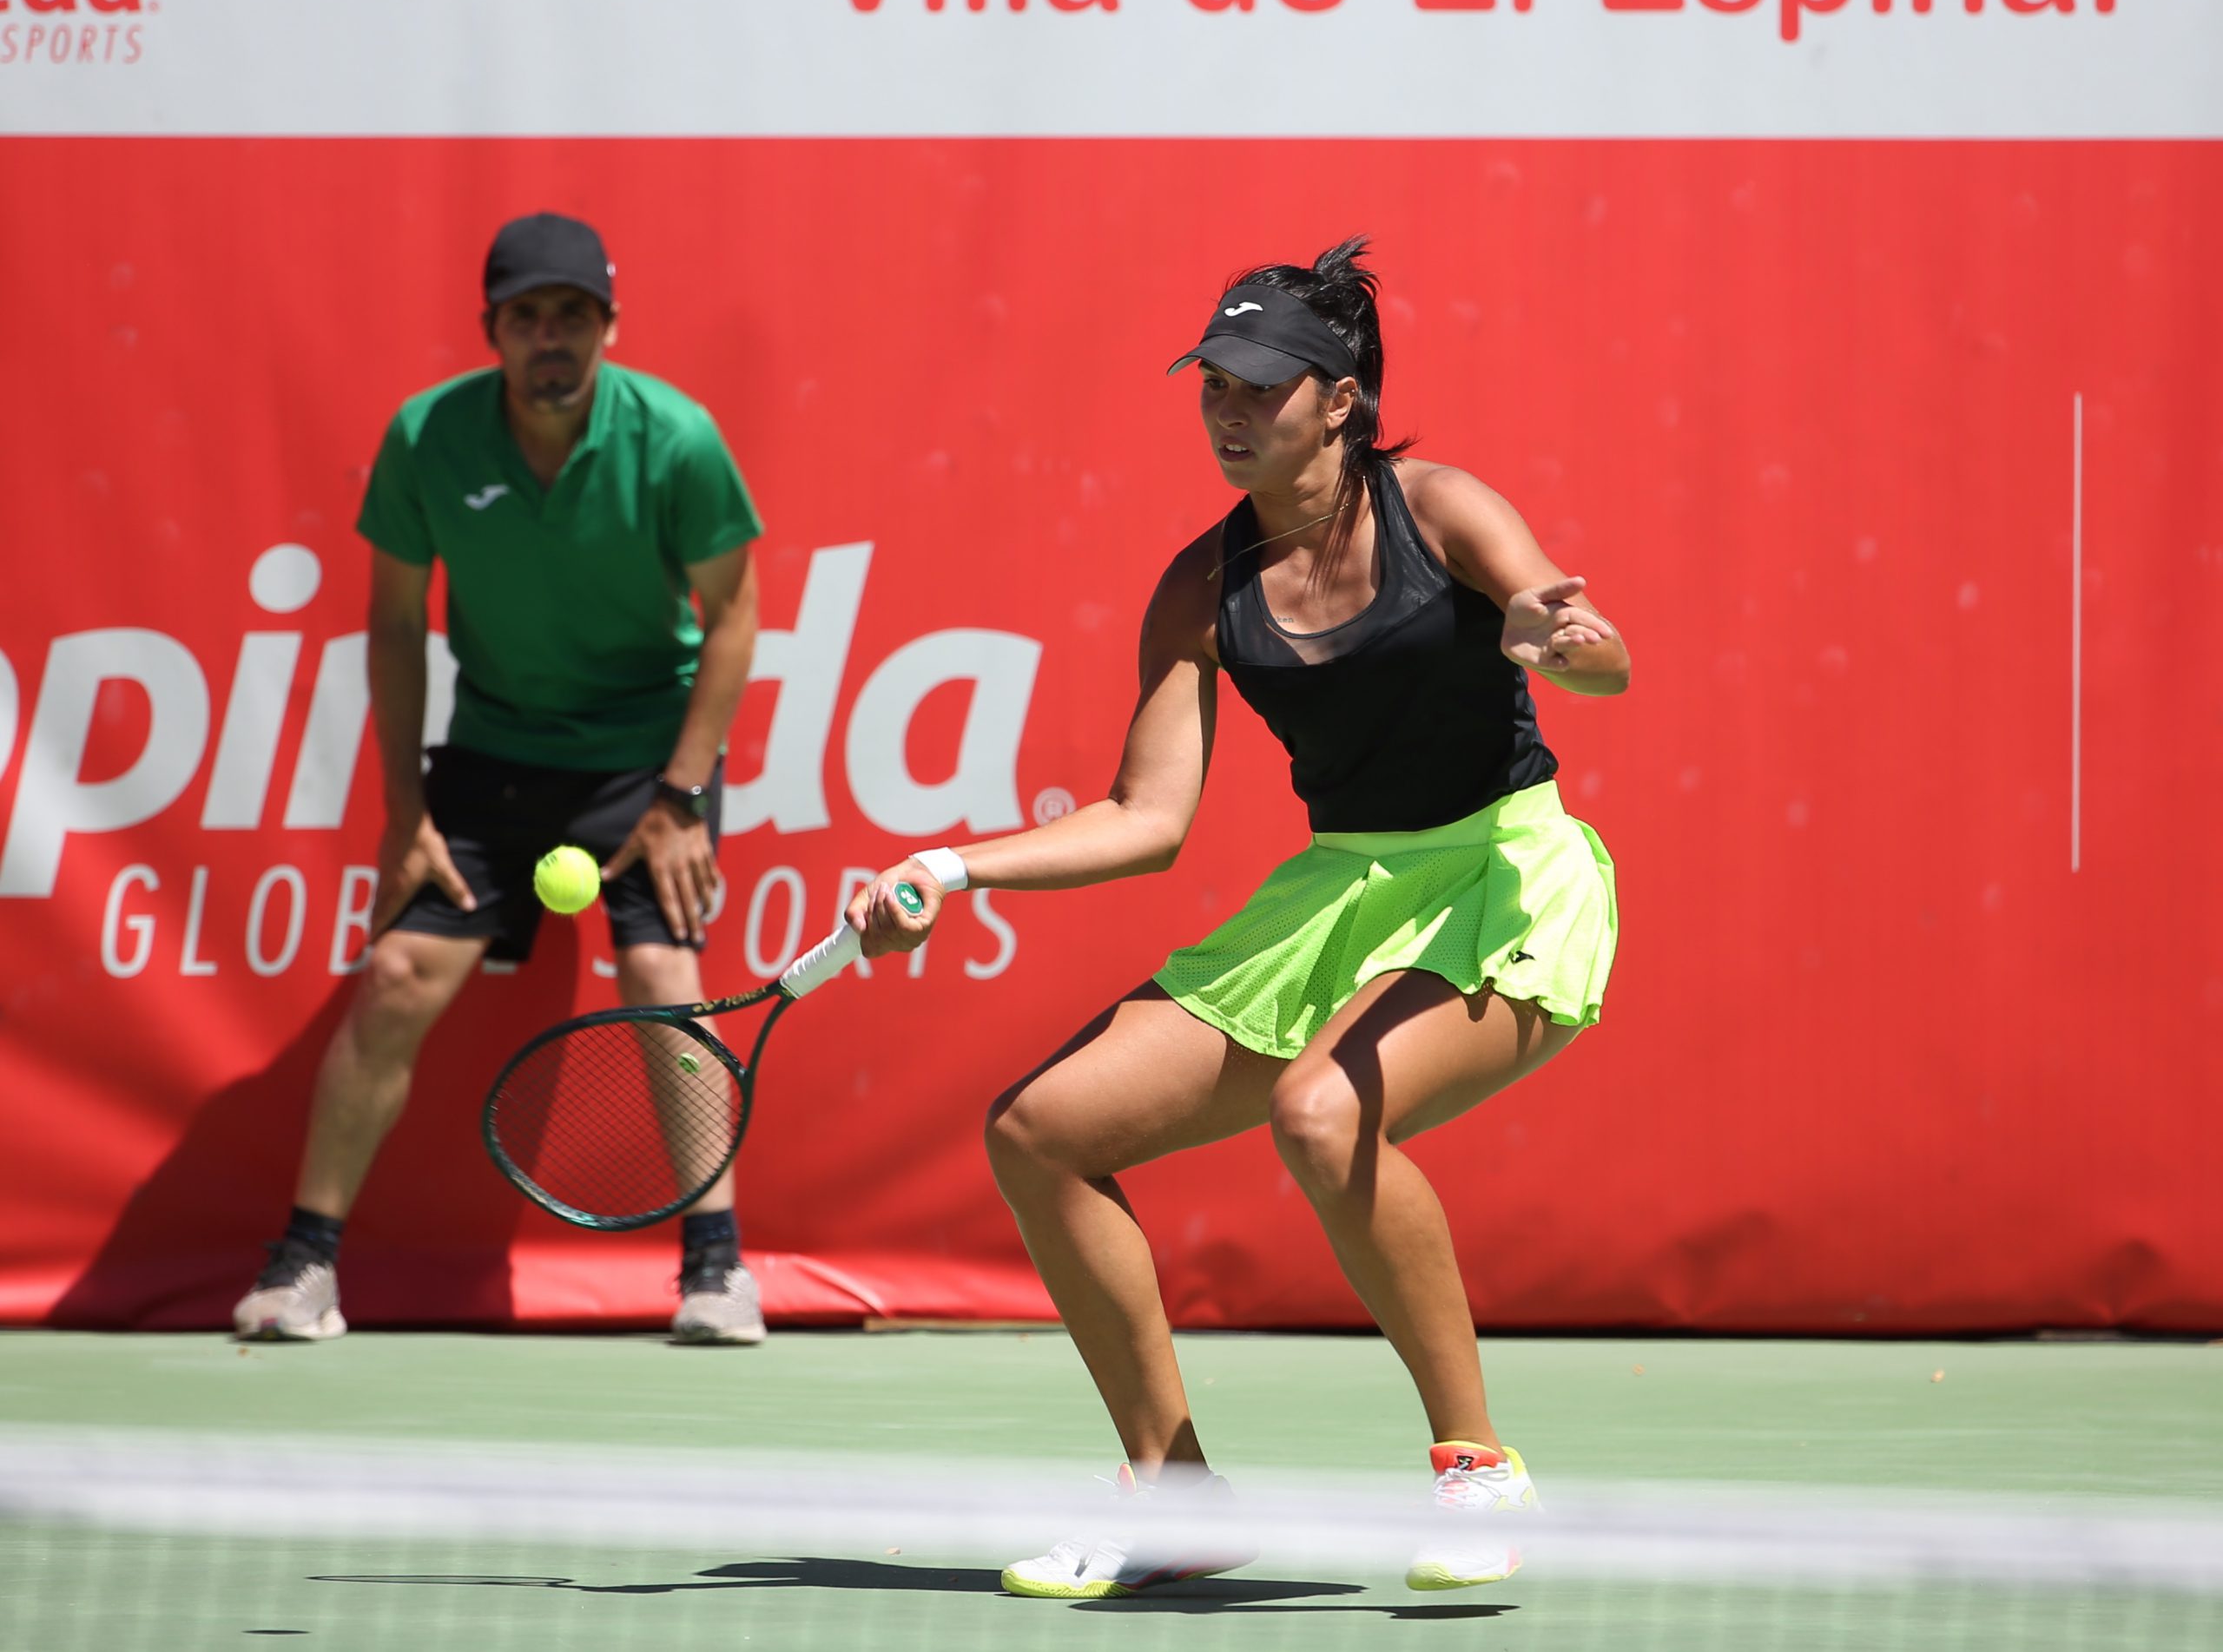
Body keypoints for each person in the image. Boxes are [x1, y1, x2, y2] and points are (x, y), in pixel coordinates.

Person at [850, 240, 1628, 1596]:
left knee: (1323, 1114)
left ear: (1339, 400)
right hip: (1345, 887)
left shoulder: (1441, 509)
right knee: (1042, 1134)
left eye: (1261, 385)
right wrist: (953, 866)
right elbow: (1146, 820)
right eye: (1212, 381)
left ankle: (1477, 1467)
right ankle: (1176, 1496)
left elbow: (1597, 646)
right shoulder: (1199, 592)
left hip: (1506, 871)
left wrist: (1552, 637)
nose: (1228, 409)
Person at [233, 213, 769, 1346]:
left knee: (661, 973)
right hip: (491, 753)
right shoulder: (428, 437)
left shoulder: (674, 439)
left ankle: (716, 1271)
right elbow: (392, 624)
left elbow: (733, 616)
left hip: (641, 754)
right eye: (527, 319)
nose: (550, 341)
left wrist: (680, 796)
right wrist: (406, 813)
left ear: (609, 326)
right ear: (495, 332)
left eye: (571, 317)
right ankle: (305, 1266)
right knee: (395, 976)